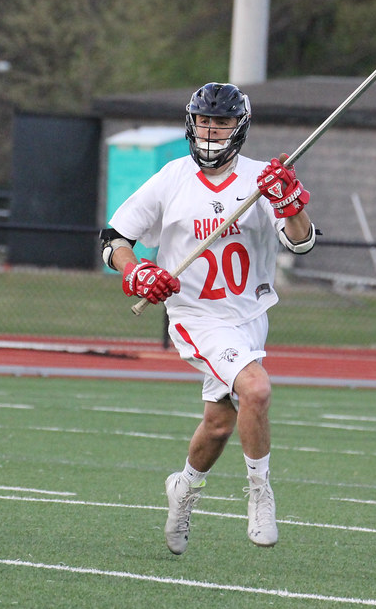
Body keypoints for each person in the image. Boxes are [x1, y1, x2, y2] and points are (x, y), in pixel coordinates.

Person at [100, 82, 316, 554]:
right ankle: (260, 493)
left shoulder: (263, 178)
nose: (211, 131)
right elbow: (114, 237)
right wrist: (136, 270)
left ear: (241, 126)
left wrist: (289, 201)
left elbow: (301, 241)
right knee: (256, 389)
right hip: (196, 315)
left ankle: (184, 488)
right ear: (191, 123)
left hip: (250, 315)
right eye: (204, 121)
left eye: (221, 122)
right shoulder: (172, 178)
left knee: (219, 423)